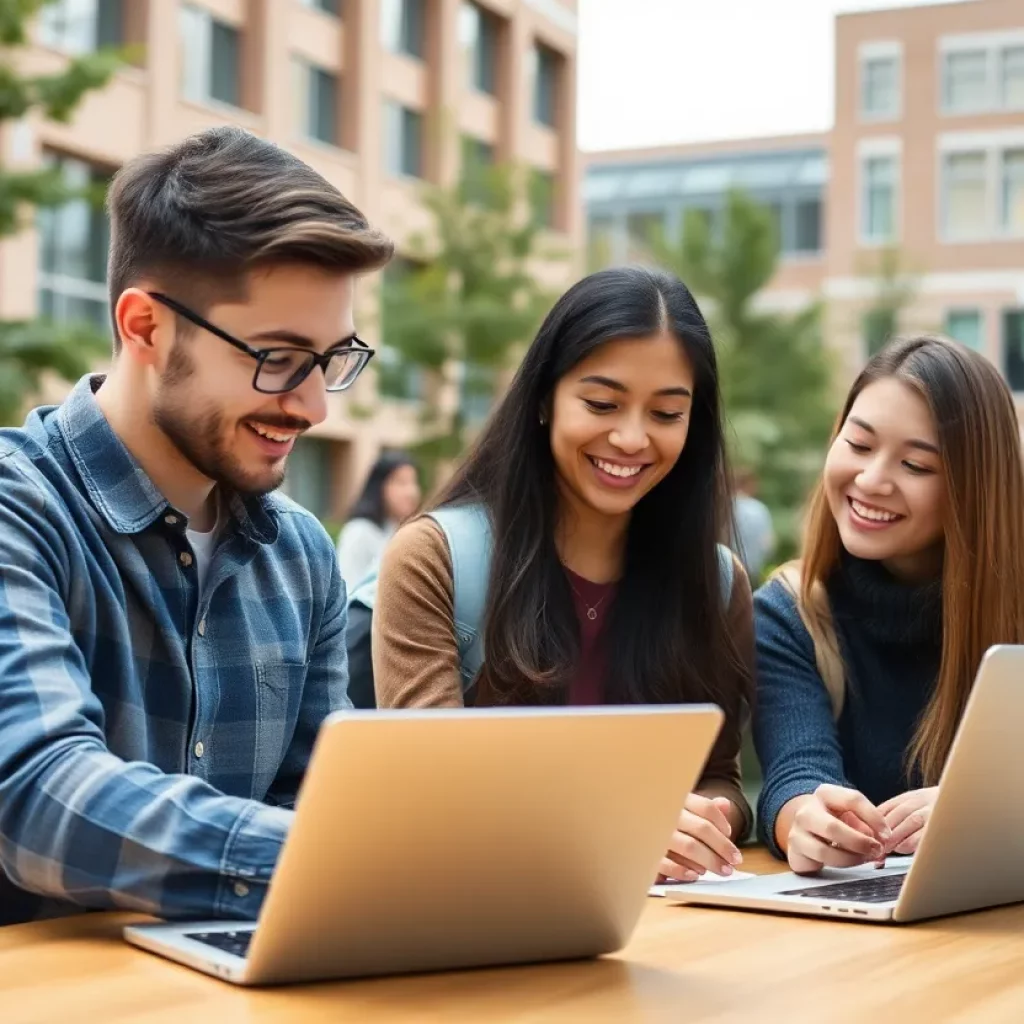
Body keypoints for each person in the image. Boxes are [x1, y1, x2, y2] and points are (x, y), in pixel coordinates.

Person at [0, 126, 393, 925]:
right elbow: (35, 792)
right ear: (145, 326)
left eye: (333, 359)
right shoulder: (20, 508)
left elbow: (321, 795)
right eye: (277, 358)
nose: (314, 406)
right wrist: (348, 859)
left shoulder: (302, 555)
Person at [371, 266, 755, 883]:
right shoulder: (431, 558)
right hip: (493, 920)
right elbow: (431, 784)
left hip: (667, 931)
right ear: (545, 400)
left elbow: (721, 776)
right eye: (601, 404)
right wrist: (618, 821)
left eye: (667, 413)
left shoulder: (717, 582)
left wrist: (704, 821)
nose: (632, 438)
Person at [753, 335, 1024, 875]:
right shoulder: (791, 613)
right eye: (858, 444)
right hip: (868, 929)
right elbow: (796, 771)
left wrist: (992, 816)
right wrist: (804, 817)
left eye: (916, 466)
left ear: (975, 489)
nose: (872, 481)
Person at [336, 452, 421, 591]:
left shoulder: (404, 532)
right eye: (401, 483)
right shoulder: (359, 532)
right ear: (379, 486)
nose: (411, 492)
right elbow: (348, 589)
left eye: (413, 482)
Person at [731, 467, 775, 584]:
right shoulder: (759, 509)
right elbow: (768, 545)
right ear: (749, 485)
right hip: (752, 572)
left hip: (727, 569)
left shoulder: (724, 508)